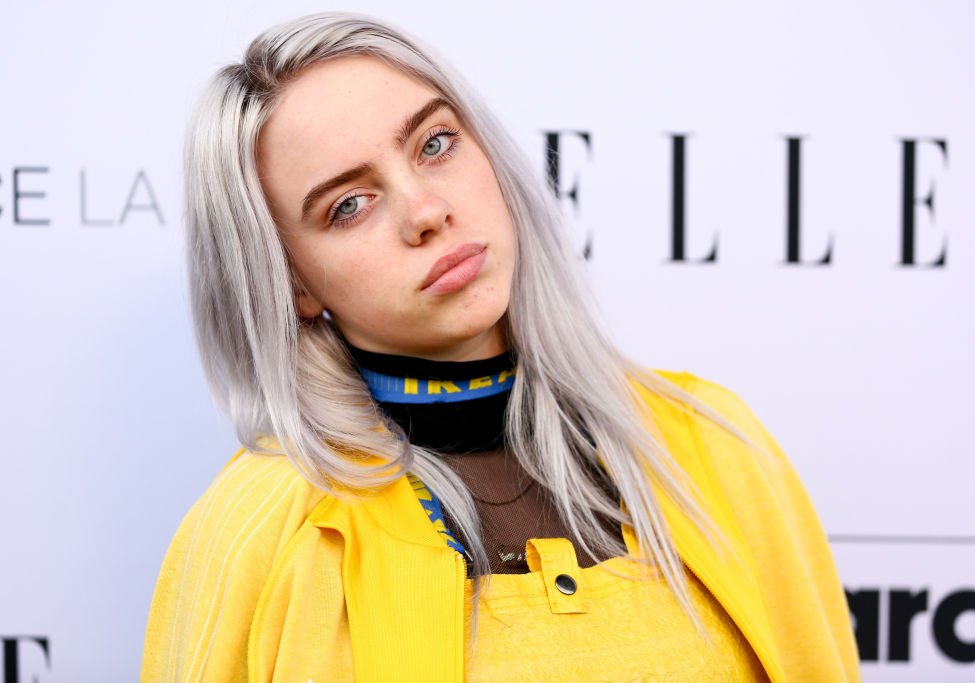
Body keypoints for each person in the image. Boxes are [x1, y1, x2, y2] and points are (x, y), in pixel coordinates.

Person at [141, 12, 859, 682]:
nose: (426, 211)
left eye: (435, 143)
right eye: (349, 205)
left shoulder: (715, 448)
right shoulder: (261, 533)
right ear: (292, 280)